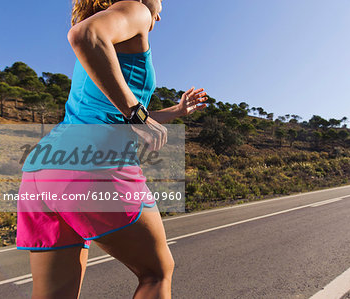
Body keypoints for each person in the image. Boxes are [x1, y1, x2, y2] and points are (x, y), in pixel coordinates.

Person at [16, 0, 208, 298]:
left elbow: (119, 116)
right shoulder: (136, 10)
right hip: (94, 164)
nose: (162, 9)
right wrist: (137, 113)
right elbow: (83, 35)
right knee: (156, 273)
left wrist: (176, 111)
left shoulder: (109, 41)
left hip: (44, 169)